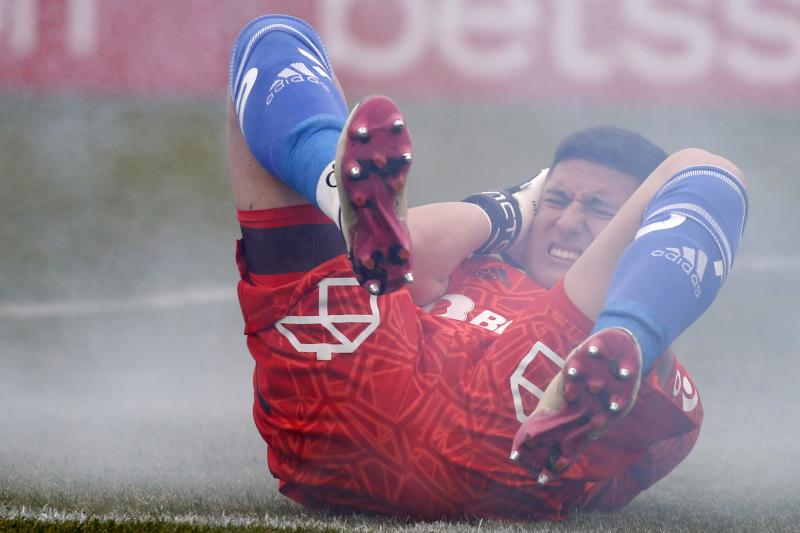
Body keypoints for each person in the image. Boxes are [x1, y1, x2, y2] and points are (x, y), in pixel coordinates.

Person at [227, 14, 748, 521]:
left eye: (596, 209)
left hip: (513, 424)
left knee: (700, 166)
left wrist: (626, 328)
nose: (567, 222)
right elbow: (402, 250)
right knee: (274, 39)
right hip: (350, 380)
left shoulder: (649, 367)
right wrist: (510, 209)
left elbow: (650, 445)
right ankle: (334, 188)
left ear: (638, 232)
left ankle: (627, 334)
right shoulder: (470, 261)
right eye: (556, 199)